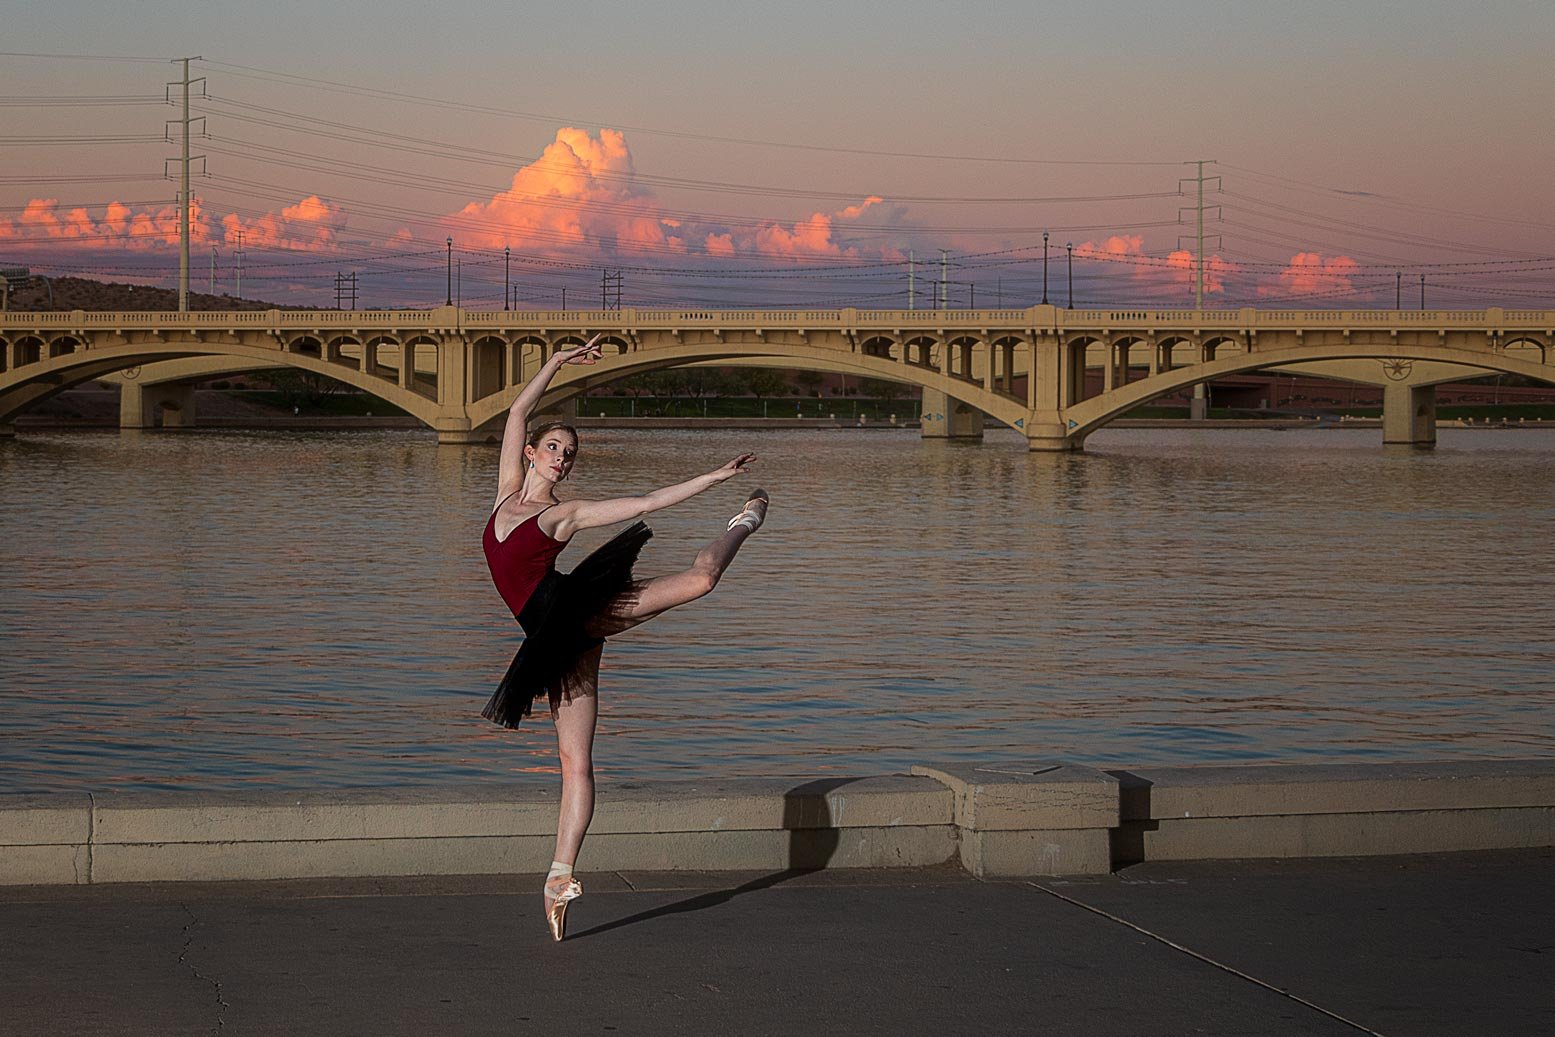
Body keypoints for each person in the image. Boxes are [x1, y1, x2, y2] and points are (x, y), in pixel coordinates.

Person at [482, 334, 769, 941]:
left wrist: (715, 476)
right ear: (531, 454)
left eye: (571, 452)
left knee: (701, 579)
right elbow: (514, 412)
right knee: (574, 763)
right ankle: (560, 878)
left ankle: (743, 522)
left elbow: (647, 501)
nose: (562, 457)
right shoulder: (505, 491)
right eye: (554, 448)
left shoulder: (565, 513)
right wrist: (556, 361)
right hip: (553, 641)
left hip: (580, 613)